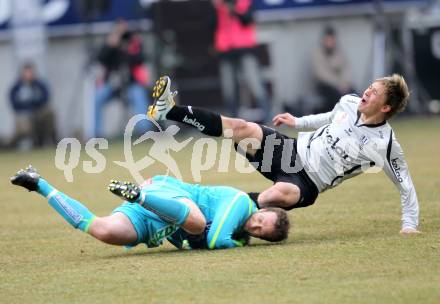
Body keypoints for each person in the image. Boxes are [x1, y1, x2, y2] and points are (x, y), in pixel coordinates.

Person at [148, 75, 420, 235]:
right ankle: (169, 111)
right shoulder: (349, 103)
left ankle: (207, 223)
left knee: (276, 196)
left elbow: (404, 184)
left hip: (308, 183)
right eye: (369, 88)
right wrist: (298, 122)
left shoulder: (385, 143)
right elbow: (330, 116)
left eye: (374, 94)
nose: (366, 92)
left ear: (385, 108)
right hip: (288, 151)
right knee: (241, 128)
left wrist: (409, 225)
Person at [10, 166, 290, 250]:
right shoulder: (241, 202)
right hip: (167, 195)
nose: (254, 225)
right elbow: (216, 239)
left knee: (102, 230)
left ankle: (39, 184)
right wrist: (239, 246)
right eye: (260, 219)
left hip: (157, 222)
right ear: (264, 209)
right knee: (195, 222)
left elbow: (196, 245)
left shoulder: (239, 232)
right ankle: (138, 195)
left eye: (259, 232)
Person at [211, 0, 270, 122]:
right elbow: (211, 25)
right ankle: (233, 119)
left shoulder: (245, 3)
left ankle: (268, 117)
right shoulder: (218, 6)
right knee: (229, 88)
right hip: (226, 51)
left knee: (254, 83)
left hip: (245, 49)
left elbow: (248, 20)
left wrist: (234, 10)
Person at [94, 19, 151, 137]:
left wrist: (126, 48)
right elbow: (100, 59)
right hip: (113, 85)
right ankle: (96, 135)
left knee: (139, 96)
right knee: (97, 98)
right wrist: (110, 46)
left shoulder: (133, 43)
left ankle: (145, 132)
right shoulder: (110, 44)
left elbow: (140, 59)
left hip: (130, 84)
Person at [8, 62, 57, 148]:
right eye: (26, 72)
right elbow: (14, 103)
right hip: (24, 114)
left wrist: (33, 105)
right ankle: (12, 145)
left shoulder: (40, 85)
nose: (29, 75)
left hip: (38, 113)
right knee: (24, 127)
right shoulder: (17, 87)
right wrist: (27, 107)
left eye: (30, 72)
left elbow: (46, 98)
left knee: (50, 111)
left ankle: (53, 139)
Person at [311, 26, 356, 113]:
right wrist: (337, 84)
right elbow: (321, 74)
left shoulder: (339, 52)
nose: (329, 43)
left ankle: (352, 117)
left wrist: (344, 83)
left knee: (353, 94)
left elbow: (346, 69)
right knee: (336, 96)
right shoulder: (317, 53)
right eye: (327, 40)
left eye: (331, 40)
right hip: (325, 86)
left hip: (341, 85)